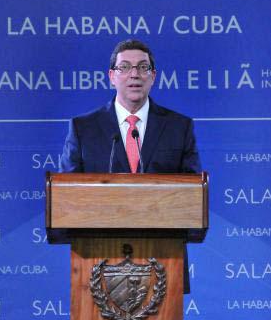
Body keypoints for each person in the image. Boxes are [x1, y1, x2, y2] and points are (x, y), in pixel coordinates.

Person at [58, 39, 201, 294]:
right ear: (111, 76)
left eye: (142, 67)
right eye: (124, 67)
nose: (134, 74)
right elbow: (67, 196)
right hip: (97, 267)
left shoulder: (179, 127)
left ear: (153, 76)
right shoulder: (83, 128)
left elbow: (191, 196)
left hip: (163, 264)